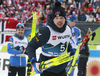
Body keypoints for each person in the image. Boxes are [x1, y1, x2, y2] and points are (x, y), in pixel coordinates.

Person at [26, 2, 75, 76]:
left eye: (61, 18)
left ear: (65, 19)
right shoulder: (46, 31)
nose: (59, 21)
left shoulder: (68, 29)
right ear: (53, 19)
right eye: (57, 18)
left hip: (62, 70)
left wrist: (71, 50)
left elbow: (65, 42)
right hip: (47, 70)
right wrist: (34, 62)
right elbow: (31, 46)